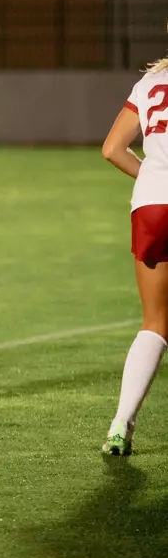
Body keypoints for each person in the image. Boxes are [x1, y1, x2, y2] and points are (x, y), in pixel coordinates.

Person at [101, 50, 168, 454]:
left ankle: (120, 426)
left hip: (151, 205)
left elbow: (112, 149)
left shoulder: (149, 83)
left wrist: (155, 179)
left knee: (154, 322)